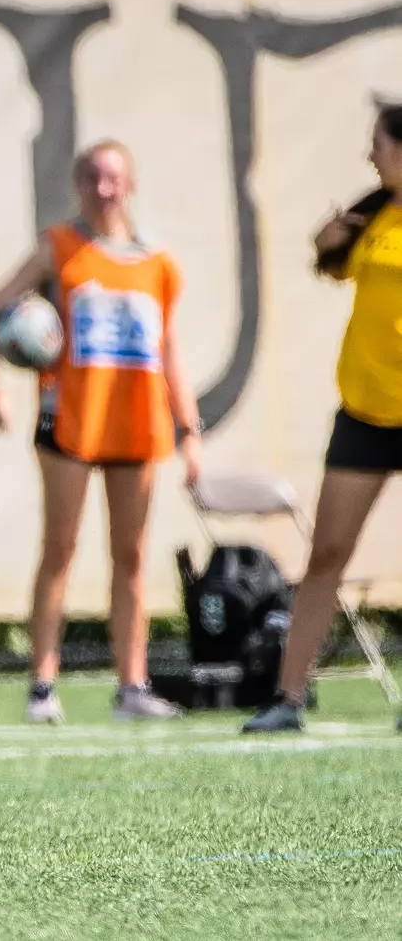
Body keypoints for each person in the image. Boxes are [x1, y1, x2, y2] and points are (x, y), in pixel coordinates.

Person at [0, 140, 200, 726]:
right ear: (78, 185)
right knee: (60, 550)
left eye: (114, 179)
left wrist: (190, 428)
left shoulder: (157, 264)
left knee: (131, 557)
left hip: (138, 424)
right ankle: (43, 685)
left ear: (131, 185)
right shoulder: (60, 247)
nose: (105, 189)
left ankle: (132, 686)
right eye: (94, 178)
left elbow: (169, 348)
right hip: (71, 422)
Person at [245, 104, 402, 734]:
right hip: (365, 410)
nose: (371, 157)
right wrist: (326, 242)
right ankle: (288, 698)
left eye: (380, 146)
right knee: (328, 554)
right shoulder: (374, 214)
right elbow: (330, 265)